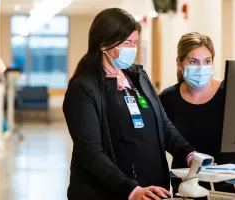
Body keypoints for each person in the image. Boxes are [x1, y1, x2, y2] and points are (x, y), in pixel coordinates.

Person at [63, 8, 197, 200]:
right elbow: (90, 152)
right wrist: (131, 190)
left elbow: (163, 125)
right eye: (127, 43)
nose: (132, 48)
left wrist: (189, 154)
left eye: (134, 42)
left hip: (151, 190)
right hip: (112, 192)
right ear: (103, 44)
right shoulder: (83, 89)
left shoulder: (137, 76)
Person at [159, 32, 235, 198]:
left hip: (232, 185)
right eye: (193, 62)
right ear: (179, 63)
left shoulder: (231, 92)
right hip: (187, 186)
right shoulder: (168, 99)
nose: (201, 68)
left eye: (207, 61)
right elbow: (162, 140)